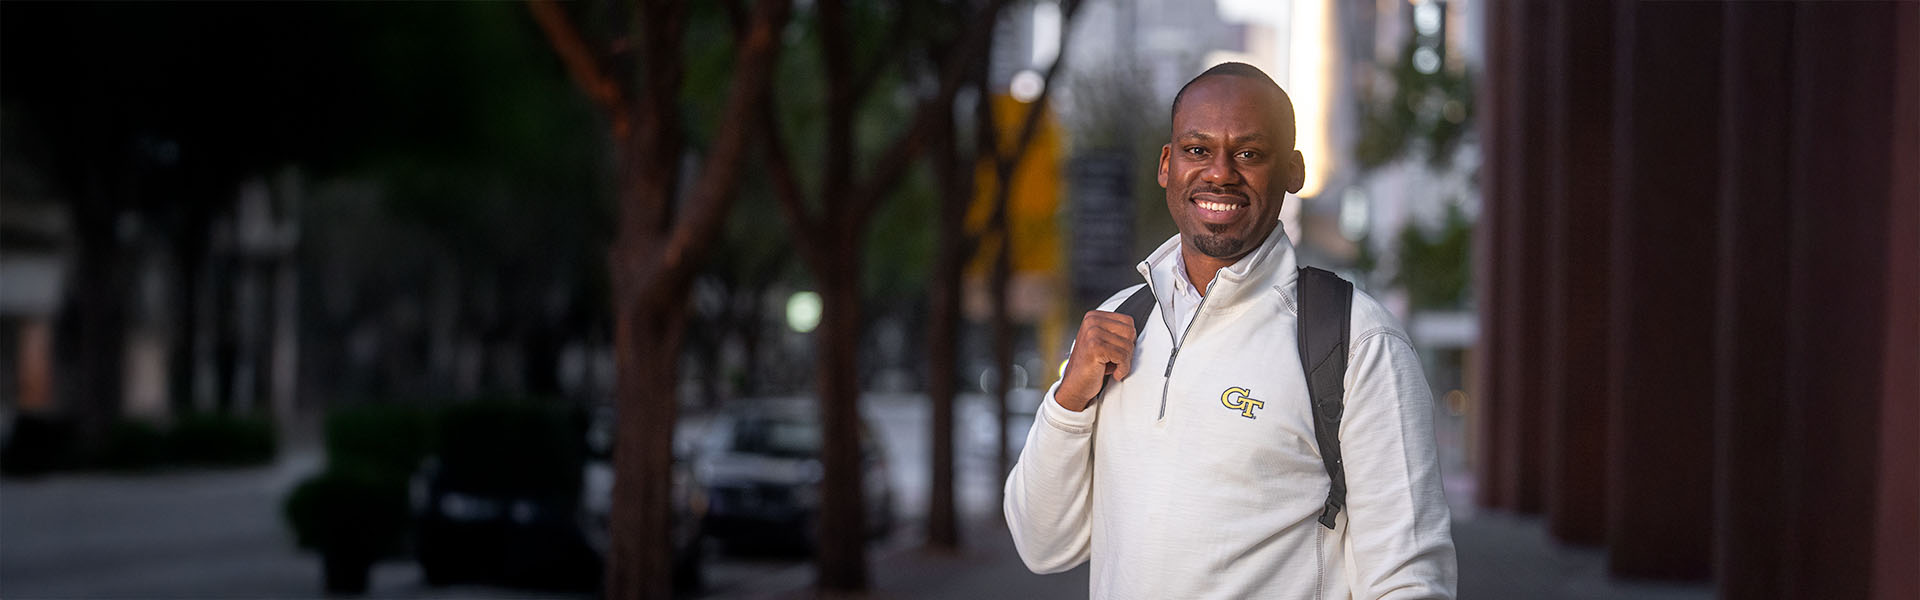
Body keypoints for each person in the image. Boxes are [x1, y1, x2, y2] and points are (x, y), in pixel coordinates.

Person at [1004, 62, 1457, 599]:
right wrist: (1068, 401)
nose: (1220, 173)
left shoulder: (1356, 339)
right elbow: (1042, 544)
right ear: (1167, 165)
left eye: (1248, 153)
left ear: (1293, 171)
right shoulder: (1122, 321)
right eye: (1197, 150)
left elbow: (1409, 579)